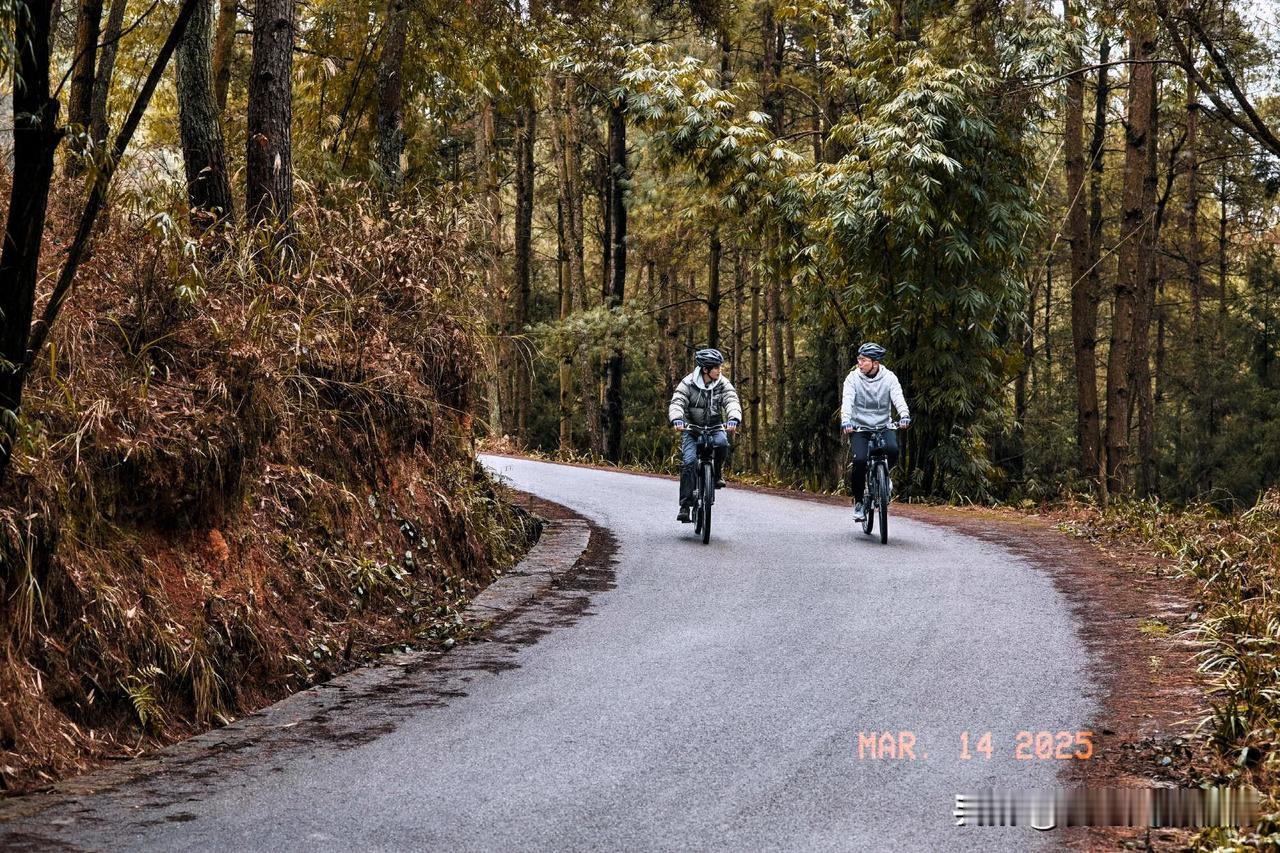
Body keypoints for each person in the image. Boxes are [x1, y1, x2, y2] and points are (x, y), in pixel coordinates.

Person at [669, 348, 742, 523]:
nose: (719, 370)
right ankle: (685, 506)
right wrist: (677, 419)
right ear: (705, 369)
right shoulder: (688, 383)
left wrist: (733, 418)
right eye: (715, 367)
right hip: (692, 429)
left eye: (719, 367)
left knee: (723, 444)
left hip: (715, 426)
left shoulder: (722, 383)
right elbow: (677, 401)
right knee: (689, 463)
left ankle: (716, 475)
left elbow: (731, 400)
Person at [840, 342, 911, 522]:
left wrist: (904, 415)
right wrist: (846, 420)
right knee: (860, 460)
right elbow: (847, 400)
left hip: (883, 425)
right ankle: (858, 503)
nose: (859, 363)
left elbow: (898, 397)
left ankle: (885, 476)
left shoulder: (889, 378)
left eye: (863, 360)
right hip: (859, 427)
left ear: (875, 363)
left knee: (893, 450)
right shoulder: (852, 379)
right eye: (859, 359)